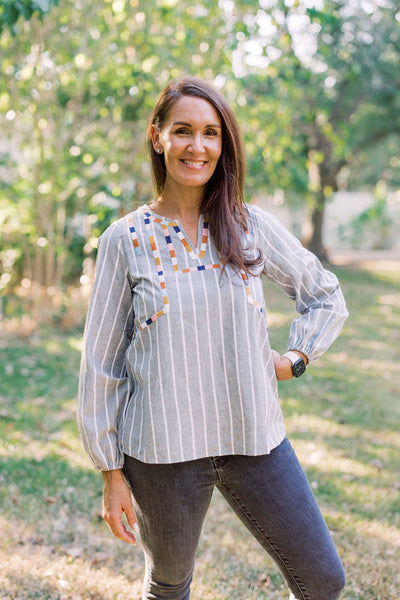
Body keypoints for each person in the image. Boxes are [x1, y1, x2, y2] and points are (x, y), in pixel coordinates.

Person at [77, 76, 348, 600]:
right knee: (170, 585)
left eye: (210, 133)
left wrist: (295, 358)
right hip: (163, 453)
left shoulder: (249, 226)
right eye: (182, 130)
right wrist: (111, 472)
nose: (196, 146)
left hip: (254, 438)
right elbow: (100, 364)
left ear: (223, 145)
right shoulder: (125, 240)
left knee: (322, 579)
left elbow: (325, 293)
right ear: (158, 136)